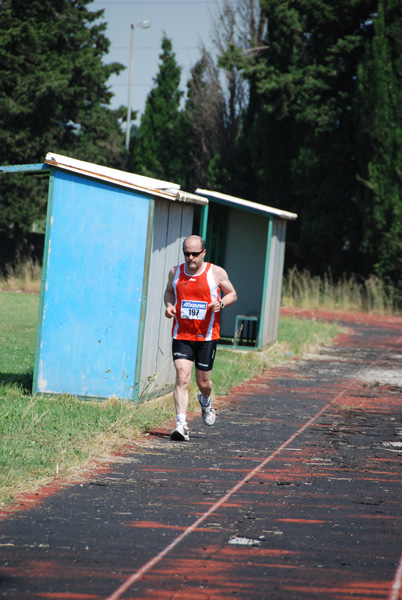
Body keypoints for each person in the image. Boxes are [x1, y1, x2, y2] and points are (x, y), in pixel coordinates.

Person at [164, 234, 237, 441]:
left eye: (195, 254)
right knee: (182, 377)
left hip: (206, 336)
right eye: (186, 253)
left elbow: (232, 294)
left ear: (203, 252)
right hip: (182, 334)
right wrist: (169, 306)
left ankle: (205, 401)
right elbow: (169, 292)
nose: (190, 258)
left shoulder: (215, 272)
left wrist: (221, 303)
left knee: (203, 382)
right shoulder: (175, 272)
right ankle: (181, 425)